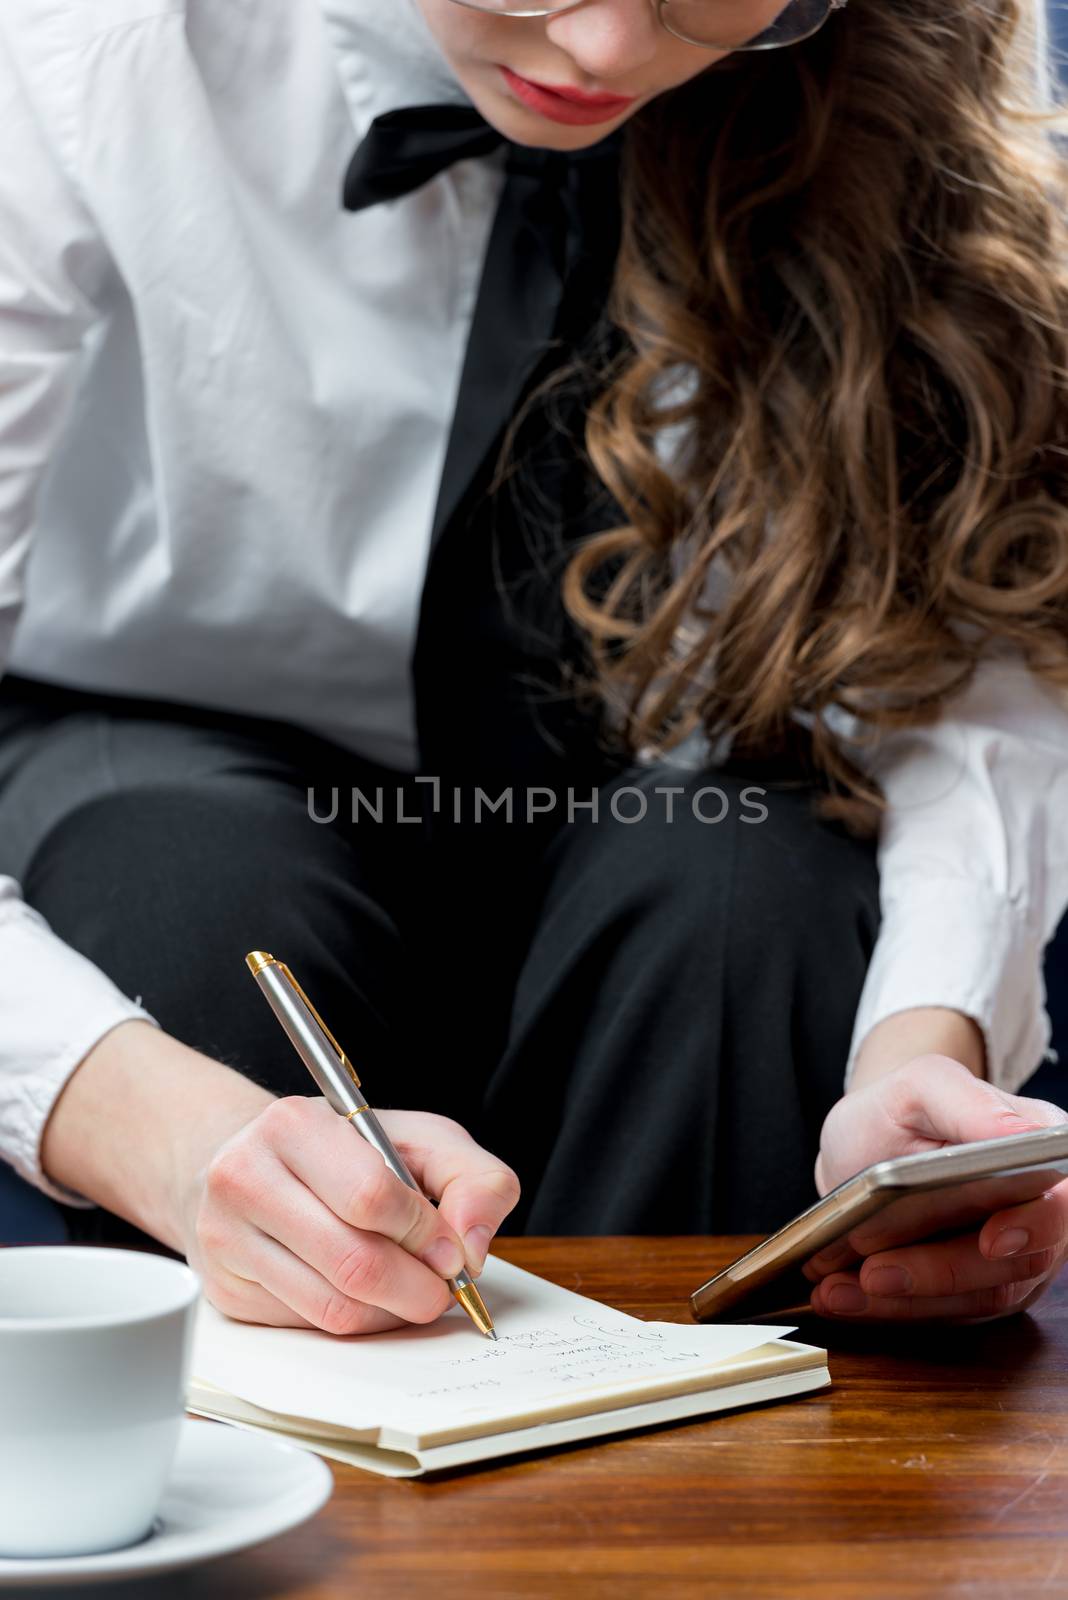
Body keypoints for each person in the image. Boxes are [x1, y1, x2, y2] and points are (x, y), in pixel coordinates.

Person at [1, 0, 1067, 1335]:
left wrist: (924, 1052)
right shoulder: (72, 47)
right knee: (188, 887)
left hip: (659, 773)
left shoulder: (904, 38)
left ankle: (679, 1507)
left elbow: (962, 640)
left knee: (753, 905)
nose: (609, 50)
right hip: (162, 733)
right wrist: (151, 1126)